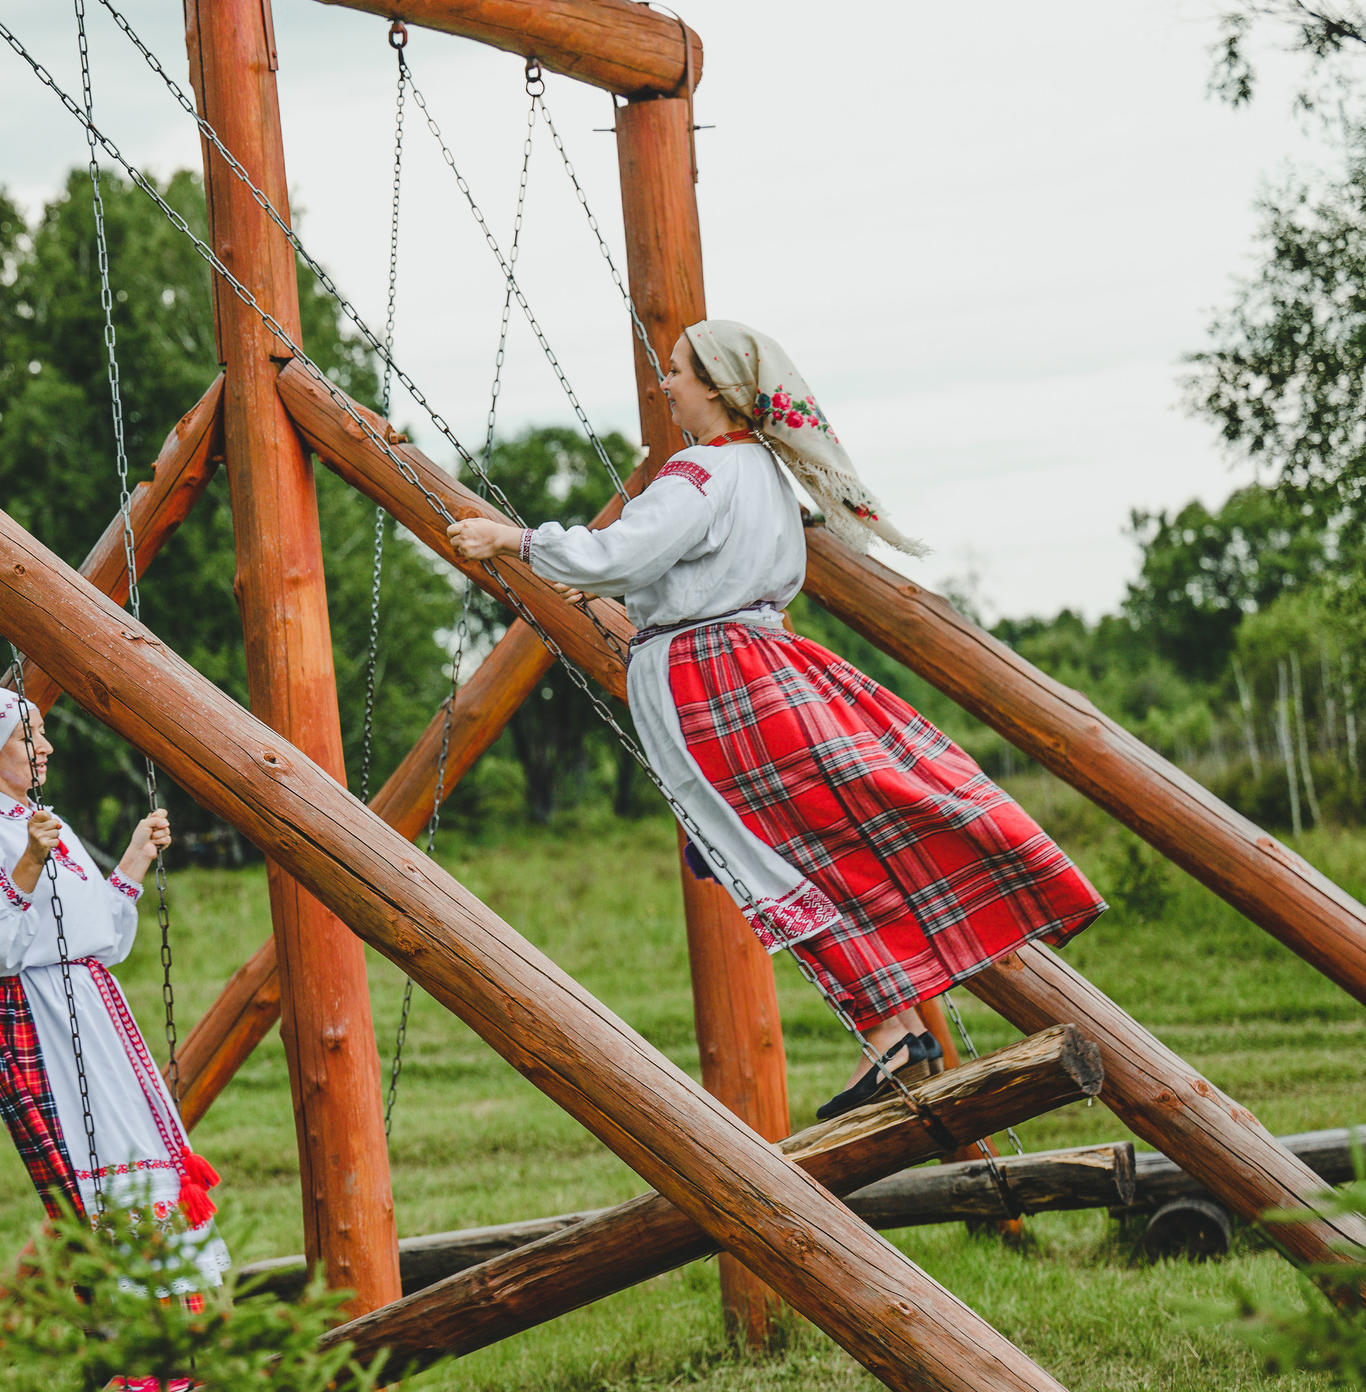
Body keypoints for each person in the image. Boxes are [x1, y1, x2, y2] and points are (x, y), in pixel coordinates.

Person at [448, 321, 1103, 1118]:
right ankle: (894, 1023)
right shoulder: (760, 473)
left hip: (709, 685)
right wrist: (632, 590)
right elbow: (690, 568)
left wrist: (508, 539)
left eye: (679, 373)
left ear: (719, 390)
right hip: (760, 663)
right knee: (816, 845)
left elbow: (617, 554)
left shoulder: (697, 472)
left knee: (766, 862)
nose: (666, 384)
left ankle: (892, 1030)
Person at [0, 681, 229, 1392]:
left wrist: (131, 857)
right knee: (87, 1181)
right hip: (33, 1016)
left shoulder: (49, 822)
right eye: (26, 736)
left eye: (40, 734)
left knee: (133, 1159)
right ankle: (137, 1360)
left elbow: (100, 930)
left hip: (91, 1008)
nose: (42, 746)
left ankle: (177, 1348)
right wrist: (30, 863)